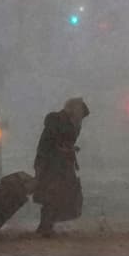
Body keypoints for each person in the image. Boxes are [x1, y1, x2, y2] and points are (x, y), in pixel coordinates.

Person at [33, 97, 89, 237]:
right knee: (52, 194)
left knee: (60, 194)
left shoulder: (69, 123)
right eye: (80, 113)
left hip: (61, 164)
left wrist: (68, 149)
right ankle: (45, 227)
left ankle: (47, 226)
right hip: (50, 163)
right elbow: (52, 143)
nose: (81, 118)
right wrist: (64, 149)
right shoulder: (57, 120)